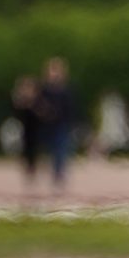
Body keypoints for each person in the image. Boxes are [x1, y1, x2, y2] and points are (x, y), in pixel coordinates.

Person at [34, 57, 80, 189]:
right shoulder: (43, 90)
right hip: (45, 125)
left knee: (61, 150)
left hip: (62, 125)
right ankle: (42, 171)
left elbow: (71, 109)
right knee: (47, 150)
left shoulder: (67, 90)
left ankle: (58, 174)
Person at [10, 76, 43, 185]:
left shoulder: (37, 100)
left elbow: (41, 114)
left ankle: (32, 169)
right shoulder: (21, 101)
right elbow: (16, 112)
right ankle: (28, 169)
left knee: (33, 151)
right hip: (23, 130)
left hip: (35, 130)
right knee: (24, 151)